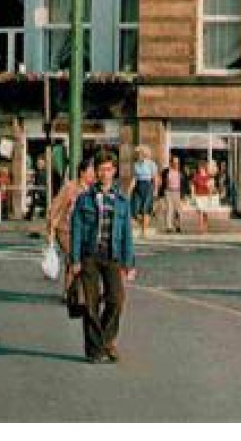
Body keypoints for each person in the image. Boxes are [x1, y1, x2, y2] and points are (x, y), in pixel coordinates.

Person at [69, 152, 136, 363]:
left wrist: (129, 263)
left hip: (113, 255)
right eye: (100, 169)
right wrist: (75, 259)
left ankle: (106, 340)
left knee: (116, 300)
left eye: (108, 169)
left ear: (114, 171)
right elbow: (76, 229)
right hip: (90, 255)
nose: (104, 174)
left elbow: (126, 234)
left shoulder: (122, 201)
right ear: (95, 172)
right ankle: (94, 350)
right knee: (91, 303)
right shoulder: (84, 199)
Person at [47, 160, 98, 299]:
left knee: (83, 260)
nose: (94, 175)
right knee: (73, 257)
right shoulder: (70, 187)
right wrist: (51, 229)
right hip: (65, 229)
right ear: (82, 172)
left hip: (84, 231)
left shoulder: (93, 190)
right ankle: (69, 292)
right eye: (91, 171)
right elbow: (55, 206)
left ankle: (78, 291)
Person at [130, 147, 157, 237]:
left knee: (145, 209)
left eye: (139, 153)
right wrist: (129, 190)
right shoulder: (135, 164)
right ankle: (143, 225)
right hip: (138, 186)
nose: (138, 155)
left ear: (144, 154)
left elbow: (155, 177)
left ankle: (144, 231)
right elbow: (134, 178)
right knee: (134, 211)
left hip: (148, 186)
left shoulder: (151, 164)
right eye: (137, 154)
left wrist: (155, 190)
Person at [191, 160, 217, 235]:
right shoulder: (196, 176)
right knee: (200, 212)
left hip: (206, 196)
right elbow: (193, 185)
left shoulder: (208, 177)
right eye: (199, 168)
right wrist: (193, 194)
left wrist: (210, 195)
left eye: (201, 167)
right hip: (198, 196)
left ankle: (205, 228)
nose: (200, 169)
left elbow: (211, 187)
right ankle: (201, 228)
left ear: (204, 168)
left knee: (205, 213)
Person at [161, 155, 184, 234]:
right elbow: (162, 181)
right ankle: (169, 227)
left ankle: (178, 225)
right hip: (168, 191)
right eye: (174, 162)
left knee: (178, 210)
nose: (176, 164)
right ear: (171, 163)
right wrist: (161, 192)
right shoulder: (166, 171)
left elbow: (184, 183)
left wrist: (184, 194)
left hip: (177, 192)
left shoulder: (180, 172)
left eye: (177, 163)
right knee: (169, 209)